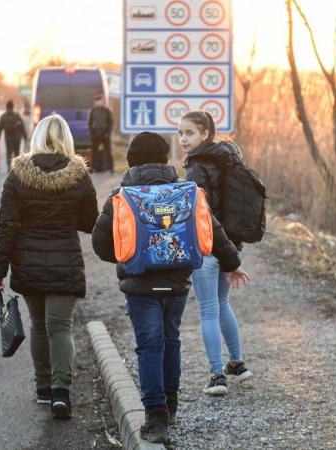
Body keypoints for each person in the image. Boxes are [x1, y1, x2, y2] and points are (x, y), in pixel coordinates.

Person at [92, 132, 248, 444]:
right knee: (171, 340)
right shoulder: (186, 193)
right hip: (176, 283)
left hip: (138, 286)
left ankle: (156, 415)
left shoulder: (120, 197)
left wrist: (130, 256)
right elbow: (212, 231)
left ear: (132, 161)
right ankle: (172, 403)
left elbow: (101, 246)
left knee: (149, 346)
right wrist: (231, 263)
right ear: (165, 160)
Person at [0, 114, 99, 420]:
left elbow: (7, 227)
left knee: (39, 326)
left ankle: (43, 389)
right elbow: (90, 223)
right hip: (65, 262)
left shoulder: (17, 176)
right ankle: (61, 392)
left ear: (36, 137)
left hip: (28, 262)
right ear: (66, 138)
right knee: (60, 327)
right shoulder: (79, 176)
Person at [178, 110, 254, 396]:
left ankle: (216, 375)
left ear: (205, 134)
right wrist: (231, 255)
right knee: (222, 304)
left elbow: (201, 215)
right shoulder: (227, 160)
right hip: (229, 245)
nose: (184, 139)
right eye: (180, 133)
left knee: (208, 310)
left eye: (190, 133)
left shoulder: (197, 168)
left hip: (207, 247)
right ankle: (238, 363)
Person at [0, 100, 29, 170]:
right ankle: (16, 167)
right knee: (16, 152)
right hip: (17, 137)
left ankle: (9, 166)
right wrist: (25, 137)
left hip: (8, 137)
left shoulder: (3, 116)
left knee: (9, 151)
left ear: (6, 107)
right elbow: (22, 126)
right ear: (13, 107)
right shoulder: (17, 115)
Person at [87, 94, 113, 173]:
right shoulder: (92, 111)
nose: (99, 103)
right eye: (97, 101)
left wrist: (108, 133)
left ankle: (110, 168)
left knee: (108, 152)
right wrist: (92, 133)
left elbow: (110, 122)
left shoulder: (107, 110)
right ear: (95, 102)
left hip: (105, 134)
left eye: (100, 101)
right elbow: (90, 123)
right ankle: (92, 168)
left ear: (102, 101)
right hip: (95, 134)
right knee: (94, 152)